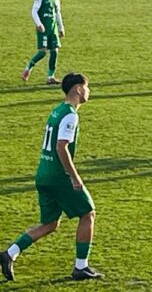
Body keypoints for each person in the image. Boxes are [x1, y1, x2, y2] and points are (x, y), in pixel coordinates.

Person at [0, 73, 103, 282]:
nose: (89, 91)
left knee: (50, 223)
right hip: (59, 177)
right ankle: (81, 267)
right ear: (78, 89)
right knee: (88, 213)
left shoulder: (57, 110)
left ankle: (9, 253)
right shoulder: (70, 115)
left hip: (44, 174)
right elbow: (61, 147)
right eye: (87, 87)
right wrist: (74, 177)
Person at [22, 0, 65, 85]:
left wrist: (61, 28)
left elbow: (57, 13)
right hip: (43, 29)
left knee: (54, 52)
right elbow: (34, 11)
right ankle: (28, 68)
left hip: (53, 29)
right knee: (42, 53)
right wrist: (39, 24)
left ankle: (51, 77)